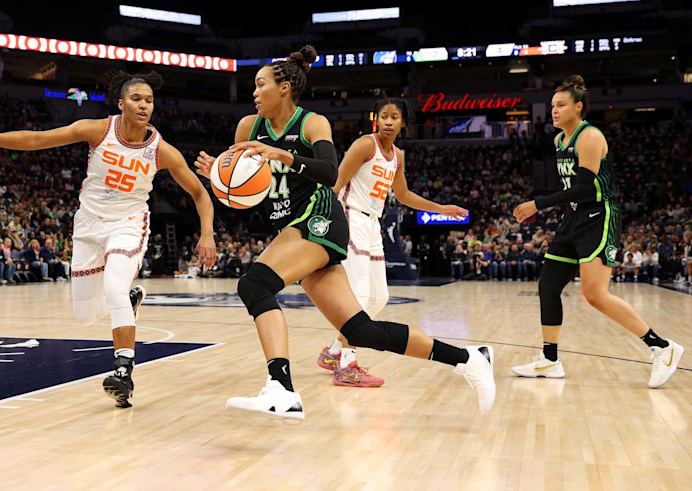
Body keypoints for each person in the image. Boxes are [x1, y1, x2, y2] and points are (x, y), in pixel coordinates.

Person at [195, 46, 494, 422]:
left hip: (319, 217)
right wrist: (220, 181)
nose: (254, 93)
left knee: (254, 285)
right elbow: (244, 190)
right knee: (360, 329)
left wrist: (283, 155)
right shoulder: (246, 128)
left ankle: (281, 389)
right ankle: (468, 359)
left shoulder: (312, 123)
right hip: (289, 224)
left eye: (260, 84)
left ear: (284, 87)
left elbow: (329, 174)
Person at [0, 70, 216, 408]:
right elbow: (37, 139)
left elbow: (199, 194)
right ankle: (129, 301)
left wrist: (207, 233)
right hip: (88, 225)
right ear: (121, 103)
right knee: (86, 315)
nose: (144, 105)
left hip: (129, 223)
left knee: (114, 288)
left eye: (149, 100)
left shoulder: (162, 150)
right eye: (136, 98)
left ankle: (123, 371)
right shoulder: (98, 129)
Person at [512, 75, 683, 387]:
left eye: (561, 105)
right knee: (548, 285)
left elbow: (581, 189)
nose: (554, 110)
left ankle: (663, 347)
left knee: (594, 295)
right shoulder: (558, 140)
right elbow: (571, 192)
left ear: (578, 107)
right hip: (573, 218)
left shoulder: (589, 137)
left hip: (599, 216)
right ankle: (550, 360)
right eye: (552, 105)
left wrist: (538, 203)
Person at [316, 97, 468, 387]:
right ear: (377, 119)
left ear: (402, 122)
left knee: (379, 298)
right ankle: (347, 364)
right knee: (359, 293)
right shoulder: (364, 144)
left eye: (394, 117)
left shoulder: (398, 155)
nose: (388, 121)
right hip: (350, 218)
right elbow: (336, 183)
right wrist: (326, 221)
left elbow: (404, 195)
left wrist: (442, 208)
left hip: (373, 223)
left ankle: (334, 351)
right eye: (384, 116)